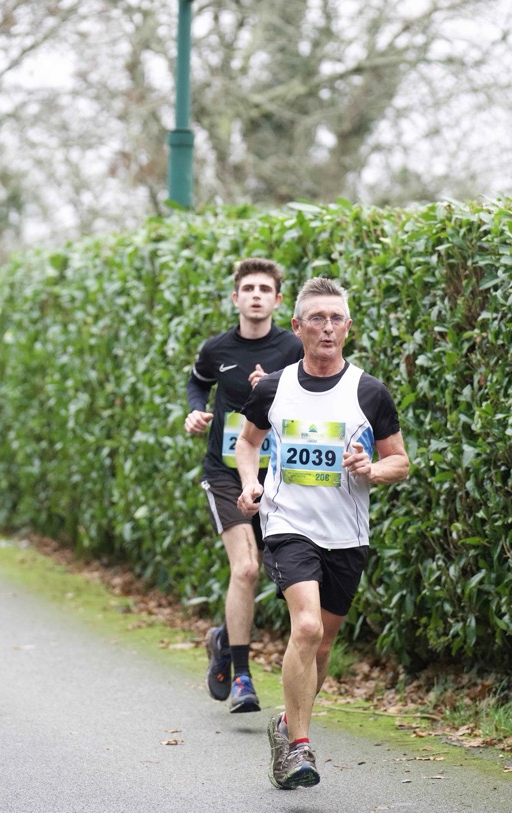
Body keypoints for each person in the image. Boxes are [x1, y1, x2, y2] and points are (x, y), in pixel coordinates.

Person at [234, 276, 410, 790]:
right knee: (306, 628)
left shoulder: (369, 392)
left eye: (336, 319)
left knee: (324, 645)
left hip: (346, 535)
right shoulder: (273, 387)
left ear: (348, 327)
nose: (327, 327)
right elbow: (248, 443)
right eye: (317, 318)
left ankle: (286, 724)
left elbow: (400, 461)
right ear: (298, 326)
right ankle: (299, 748)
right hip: (287, 525)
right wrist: (250, 484)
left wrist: (371, 470)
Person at [185, 258, 305, 714]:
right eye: (249, 289)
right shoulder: (216, 348)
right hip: (224, 471)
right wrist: (195, 411)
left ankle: (223, 637)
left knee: (283, 575)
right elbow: (197, 383)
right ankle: (241, 676)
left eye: (265, 289)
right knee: (247, 569)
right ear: (236, 298)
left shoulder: (293, 348)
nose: (256, 296)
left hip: (280, 474)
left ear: (278, 299)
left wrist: (274, 387)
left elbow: (311, 400)